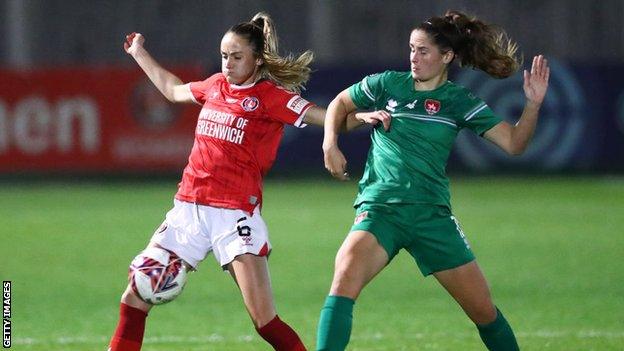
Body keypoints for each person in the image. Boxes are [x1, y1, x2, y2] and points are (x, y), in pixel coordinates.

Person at [108, 12, 364, 351]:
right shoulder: (215, 85)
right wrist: (139, 52)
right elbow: (172, 90)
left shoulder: (271, 98)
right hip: (188, 210)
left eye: (237, 57)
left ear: (257, 60)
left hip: (235, 216)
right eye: (224, 56)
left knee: (264, 320)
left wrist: (365, 117)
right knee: (135, 296)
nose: (228, 64)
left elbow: (330, 116)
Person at [317, 10, 550, 351]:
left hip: (432, 217)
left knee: (484, 312)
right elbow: (338, 104)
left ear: (447, 56)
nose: (414, 57)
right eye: (412, 48)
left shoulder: (459, 101)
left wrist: (532, 105)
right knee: (343, 281)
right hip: (381, 211)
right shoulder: (387, 84)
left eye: (423, 50)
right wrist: (330, 144)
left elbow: (515, 144)